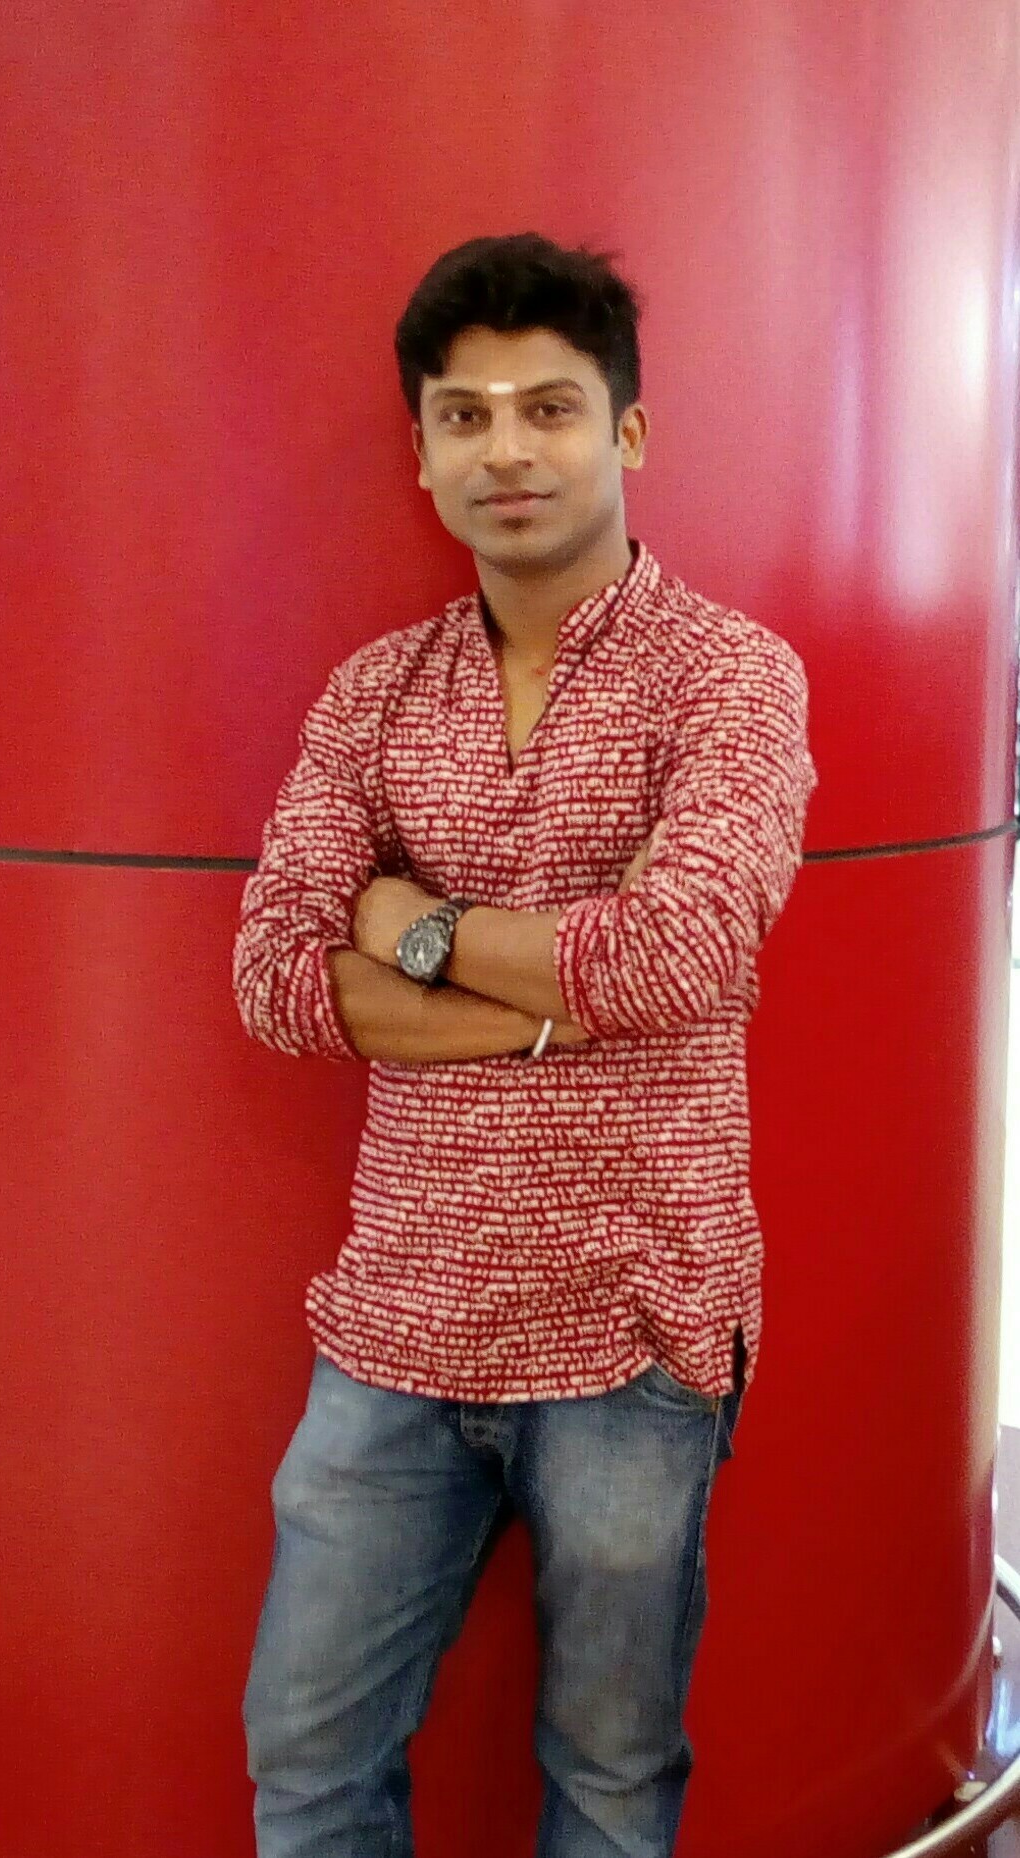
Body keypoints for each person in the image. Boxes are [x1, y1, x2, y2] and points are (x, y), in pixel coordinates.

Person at [232, 231, 817, 1858]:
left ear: (624, 431)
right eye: (464, 415)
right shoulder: (372, 694)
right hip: (394, 1320)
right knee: (306, 1755)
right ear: (420, 453)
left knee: (612, 1777)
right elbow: (271, 977)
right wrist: (573, 991)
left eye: (548, 408)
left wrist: (405, 920)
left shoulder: (729, 676)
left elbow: (685, 952)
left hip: (638, 1317)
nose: (506, 449)